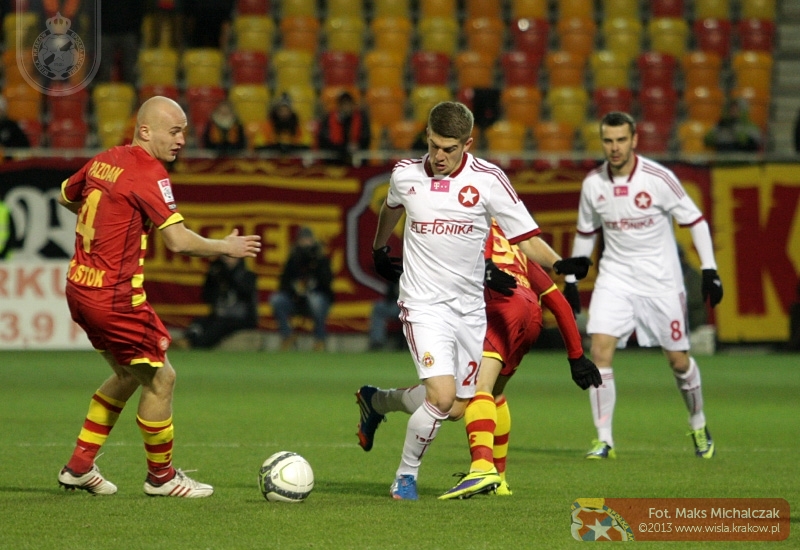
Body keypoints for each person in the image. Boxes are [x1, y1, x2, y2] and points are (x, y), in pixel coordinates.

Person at [365, 101, 592, 500]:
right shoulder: (405, 174)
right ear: (427, 136)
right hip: (423, 304)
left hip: (469, 310)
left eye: (449, 149)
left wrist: (559, 264)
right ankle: (405, 478)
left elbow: (525, 238)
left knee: (456, 408)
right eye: (434, 146)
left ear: (468, 144)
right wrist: (380, 248)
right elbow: (391, 207)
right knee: (441, 397)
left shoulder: (488, 180)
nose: (439, 156)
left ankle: (377, 401)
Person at [56, 96, 261, 498]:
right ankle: (162, 478)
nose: (182, 139)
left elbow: (66, 195)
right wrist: (225, 247)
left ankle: (79, 467)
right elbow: (179, 241)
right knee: (162, 378)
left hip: (79, 287)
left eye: (184, 131)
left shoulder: (105, 159)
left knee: (129, 374)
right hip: (114, 298)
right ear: (146, 131)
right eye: (175, 131)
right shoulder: (149, 172)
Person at [356, 220, 601, 499]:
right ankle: (499, 479)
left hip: (498, 308)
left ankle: (482, 468)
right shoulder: (517, 249)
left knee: (470, 394)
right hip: (530, 314)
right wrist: (576, 356)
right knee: (478, 398)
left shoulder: (466, 232)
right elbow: (558, 304)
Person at [563, 111, 724, 461]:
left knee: (678, 361)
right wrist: (572, 279)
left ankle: (698, 423)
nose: (615, 147)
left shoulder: (658, 178)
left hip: (661, 282)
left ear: (634, 140)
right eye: (608, 141)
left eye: (621, 140)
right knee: (600, 351)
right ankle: (604, 439)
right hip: (615, 278)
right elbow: (586, 232)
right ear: (602, 142)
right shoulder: (593, 183)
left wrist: (710, 269)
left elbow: (695, 221)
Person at [269, 226, 333, 352]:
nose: (305, 243)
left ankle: (319, 339)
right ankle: (287, 336)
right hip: (296, 299)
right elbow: (283, 283)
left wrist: (311, 283)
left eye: (308, 240)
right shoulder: (293, 259)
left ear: (313, 241)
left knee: (316, 301)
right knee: (277, 300)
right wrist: (296, 291)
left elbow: (327, 283)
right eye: (303, 240)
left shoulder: (321, 259)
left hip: (316, 298)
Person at [174, 255, 258, 349]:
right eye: (225, 256)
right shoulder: (218, 274)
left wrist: (226, 274)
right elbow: (206, 297)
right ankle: (187, 339)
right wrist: (211, 277)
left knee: (218, 326)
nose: (227, 259)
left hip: (241, 318)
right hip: (220, 316)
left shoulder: (247, 275)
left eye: (231, 257)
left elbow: (244, 292)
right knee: (199, 322)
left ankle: (196, 344)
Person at [316, 91, 371, 165]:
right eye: (344, 104)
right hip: (334, 159)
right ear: (339, 106)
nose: (346, 107)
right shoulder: (329, 119)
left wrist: (358, 145)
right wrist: (343, 148)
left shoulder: (361, 118)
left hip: (356, 158)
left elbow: (366, 137)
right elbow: (323, 140)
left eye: (349, 104)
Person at [367, 280, 400, 351]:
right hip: (396, 305)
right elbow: (390, 293)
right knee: (378, 308)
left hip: (411, 307)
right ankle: (377, 342)